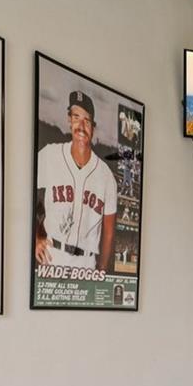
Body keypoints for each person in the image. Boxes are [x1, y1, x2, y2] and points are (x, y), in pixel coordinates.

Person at [34, 90, 116, 272]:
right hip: (52, 254)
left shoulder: (106, 175)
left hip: (87, 263)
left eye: (87, 120)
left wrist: (102, 267)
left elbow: (109, 231)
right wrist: (35, 237)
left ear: (93, 127)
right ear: (69, 120)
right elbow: (25, 194)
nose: (81, 125)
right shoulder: (49, 154)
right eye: (76, 117)